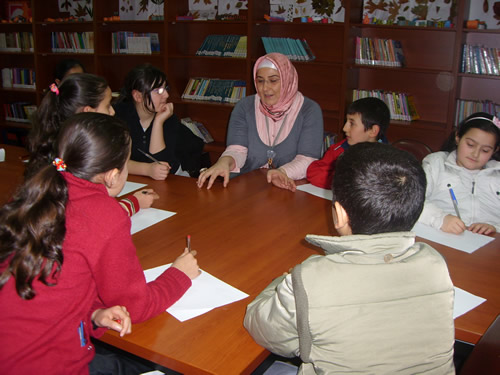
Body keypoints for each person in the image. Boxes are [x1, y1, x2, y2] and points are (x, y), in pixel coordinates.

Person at [0, 113, 200, 375]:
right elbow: (138, 307)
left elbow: (51, 288)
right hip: (47, 363)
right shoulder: (103, 213)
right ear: (113, 175)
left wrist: (93, 312)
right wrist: (179, 275)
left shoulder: (39, 193)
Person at [244, 142, 455, 374]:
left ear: (340, 215)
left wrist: (284, 282)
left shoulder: (310, 280)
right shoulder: (435, 264)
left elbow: (263, 329)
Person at [26, 72, 157, 216]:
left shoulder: (59, 148)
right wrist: (132, 203)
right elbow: (93, 215)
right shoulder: (73, 160)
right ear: (88, 112)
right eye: (107, 106)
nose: (112, 112)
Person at [197, 52, 324, 192]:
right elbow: (237, 150)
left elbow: (308, 159)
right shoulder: (245, 107)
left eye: (273, 80)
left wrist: (282, 172)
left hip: (290, 187)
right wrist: (224, 162)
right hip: (248, 189)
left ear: (287, 79)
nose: (265, 88)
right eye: (260, 80)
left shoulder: (309, 110)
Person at [113, 63, 204, 180]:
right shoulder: (118, 116)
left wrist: (158, 122)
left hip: (174, 179)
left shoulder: (169, 119)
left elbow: (161, 164)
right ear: (138, 96)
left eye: (166, 89)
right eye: (158, 91)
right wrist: (147, 169)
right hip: (133, 179)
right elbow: (111, 162)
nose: (166, 95)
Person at [418, 112, 500, 235]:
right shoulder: (436, 164)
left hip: (488, 246)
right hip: (442, 237)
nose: (475, 154)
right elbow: (412, 202)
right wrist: (440, 219)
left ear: (495, 150)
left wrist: (495, 227)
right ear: (458, 137)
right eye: (470, 145)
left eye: (485, 150)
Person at [306, 97, 390, 189]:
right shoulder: (340, 148)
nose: (344, 128)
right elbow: (313, 171)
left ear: (373, 131)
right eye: (346, 121)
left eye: (352, 123)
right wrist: (341, 180)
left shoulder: (388, 161)